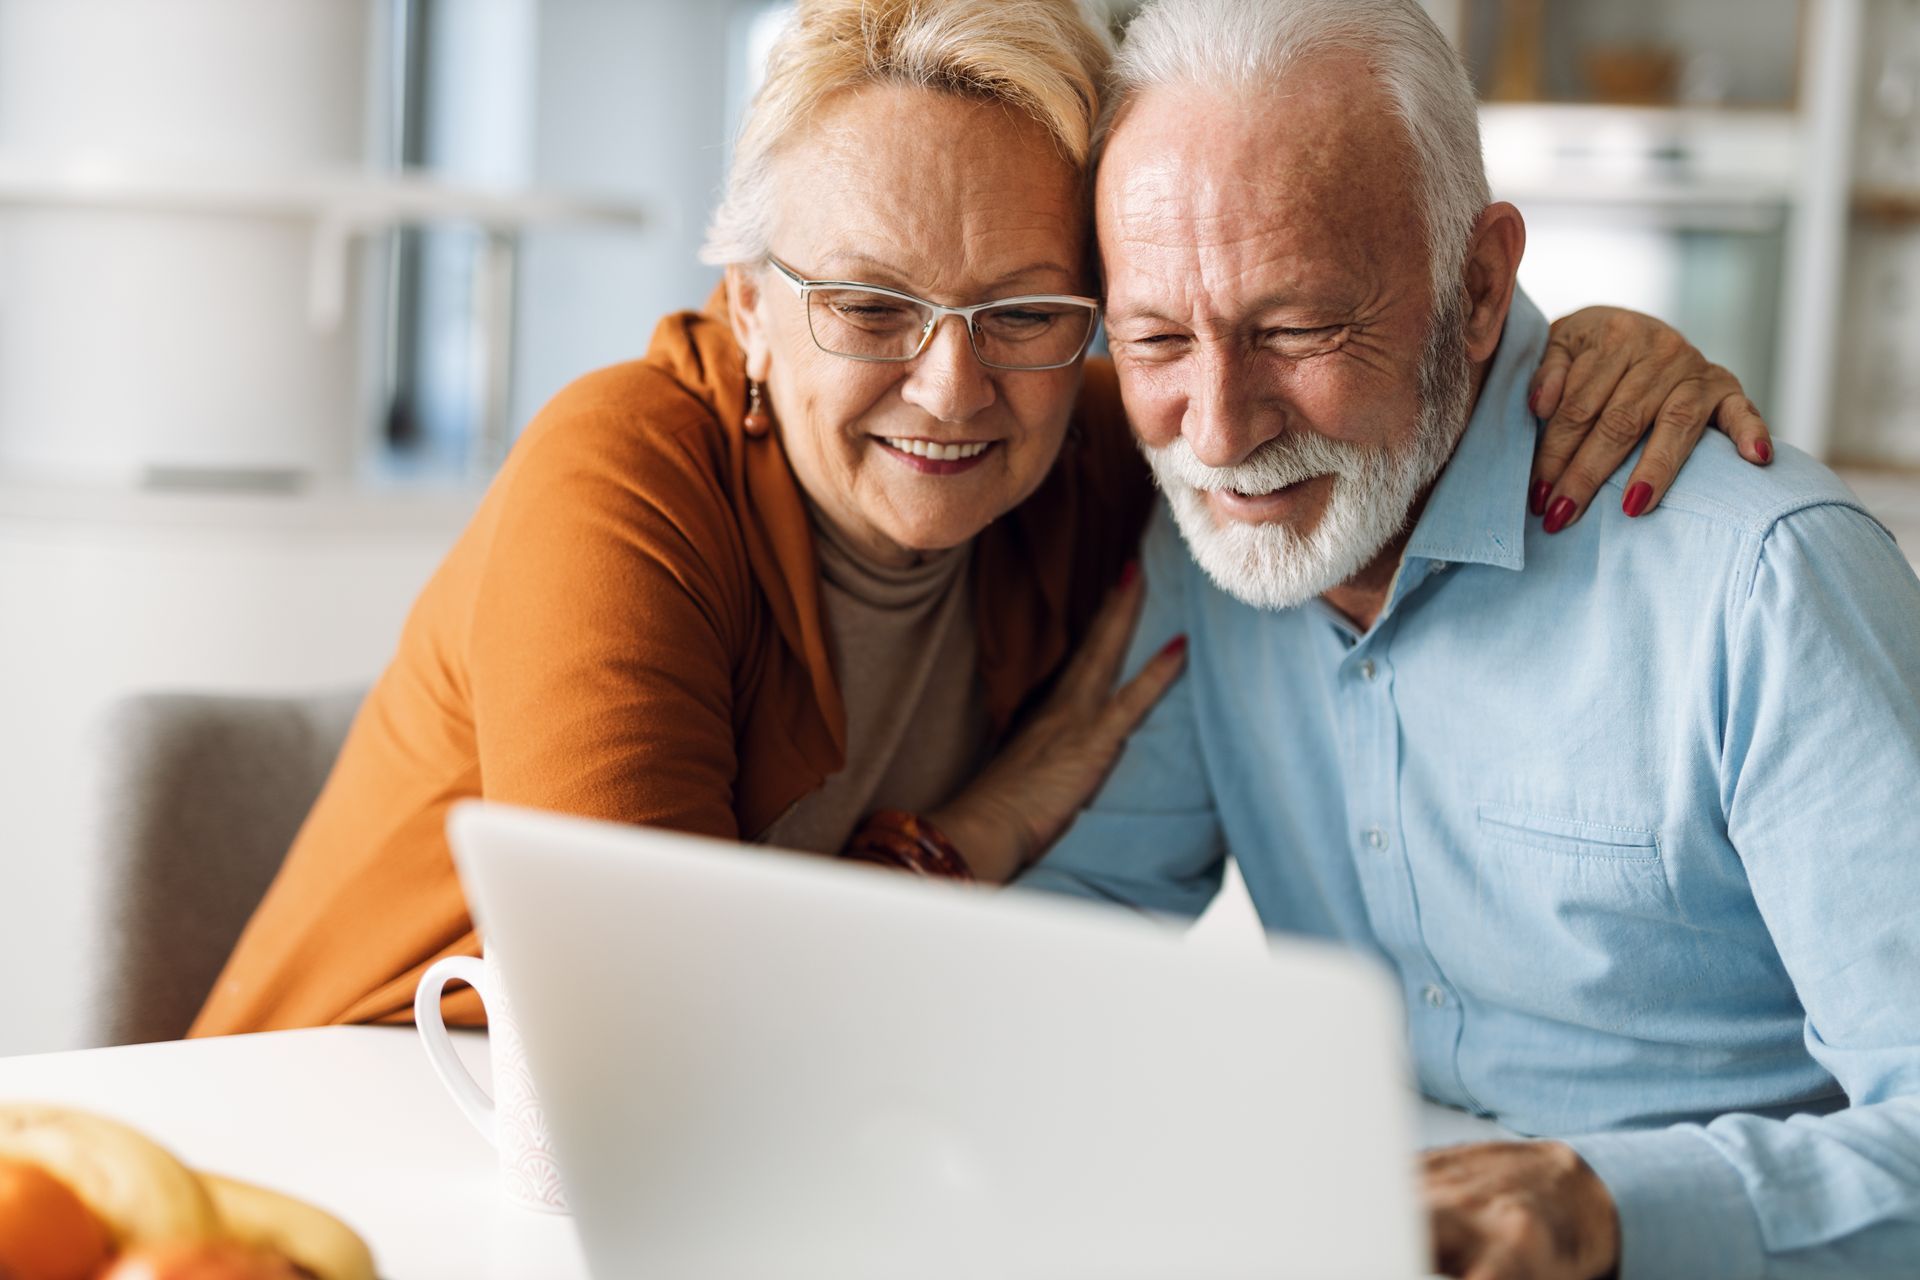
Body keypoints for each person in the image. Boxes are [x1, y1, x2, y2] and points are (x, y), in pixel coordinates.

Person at [191, 0, 1767, 1039]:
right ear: (745, 305)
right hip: (365, 1140)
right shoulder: (622, 478)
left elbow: (1323, 353)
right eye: (871, 303)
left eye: (1026, 308)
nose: (953, 389)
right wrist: (984, 829)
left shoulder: (1098, 448)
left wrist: (1589, 346)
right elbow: (654, 1039)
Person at [996, 1, 1920, 1277]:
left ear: (1478, 285)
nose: (1216, 432)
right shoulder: (1218, 550)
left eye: (1298, 328)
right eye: (1154, 338)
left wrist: (1611, 1206)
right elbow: (1070, 938)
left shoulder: (1763, 582)